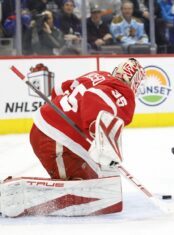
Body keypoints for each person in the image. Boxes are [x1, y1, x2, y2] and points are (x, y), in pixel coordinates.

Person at [1, 59, 146, 217]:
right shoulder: (123, 93)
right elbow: (93, 97)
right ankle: (16, 196)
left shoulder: (99, 75)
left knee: (96, 180)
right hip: (56, 140)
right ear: (135, 80)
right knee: (86, 190)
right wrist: (94, 125)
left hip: (49, 132)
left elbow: (60, 89)